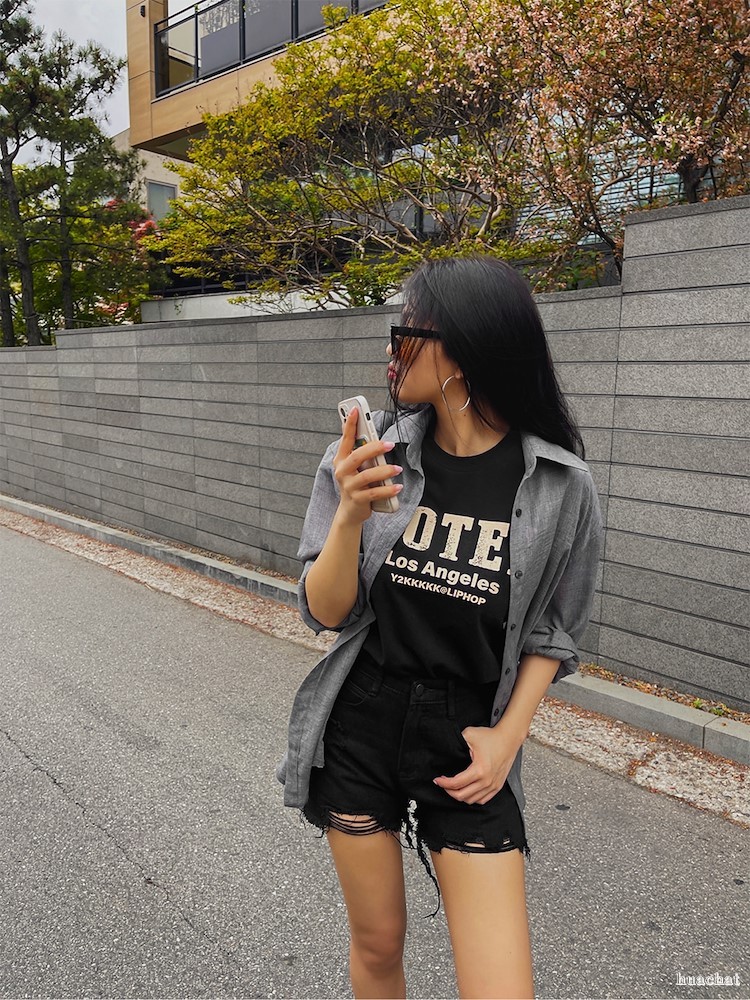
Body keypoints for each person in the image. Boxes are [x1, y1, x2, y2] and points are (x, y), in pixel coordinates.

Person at [276, 255, 603, 1000]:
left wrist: (507, 738)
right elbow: (323, 611)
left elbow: (554, 630)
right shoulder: (367, 459)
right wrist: (350, 514)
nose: (391, 350)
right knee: (378, 945)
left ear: (464, 348)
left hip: (468, 735)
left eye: (406, 332)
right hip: (361, 721)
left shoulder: (559, 484)